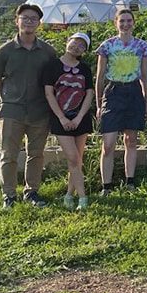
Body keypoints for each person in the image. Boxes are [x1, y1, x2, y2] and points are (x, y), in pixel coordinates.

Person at [0, 3, 58, 209]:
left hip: (39, 111)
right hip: (12, 111)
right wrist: (6, 98)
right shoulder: (4, 51)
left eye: (33, 19)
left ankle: (31, 192)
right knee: (8, 155)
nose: (29, 22)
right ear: (16, 21)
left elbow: (53, 80)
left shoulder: (47, 51)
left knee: (36, 153)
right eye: (25, 18)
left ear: (39, 23)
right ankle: (9, 195)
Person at [95, 8, 147, 195]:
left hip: (133, 92)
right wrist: (98, 105)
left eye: (129, 21)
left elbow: (144, 76)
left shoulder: (142, 46)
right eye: (122, 21)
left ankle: (130, 182)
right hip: (113, 92)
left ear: (133, 23)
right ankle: (107, 186)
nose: (125, 24)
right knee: (108, 143)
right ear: (116, 23)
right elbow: (100, 76)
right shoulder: (107, 46)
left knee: (131, 140)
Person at [42, 31, 95, 211]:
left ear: (84, 51)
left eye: (82, 45)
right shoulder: (52, 66)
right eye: (75, 42)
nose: (77, 46)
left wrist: (79, 117)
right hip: (60, 119)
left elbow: (89, 93)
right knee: (72, 158)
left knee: (77, 161)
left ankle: (68, 195)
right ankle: (83, 198)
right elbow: (49, 94)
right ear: (67, 41)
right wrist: (62, 118)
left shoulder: (85, 68)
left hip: (81, 119)